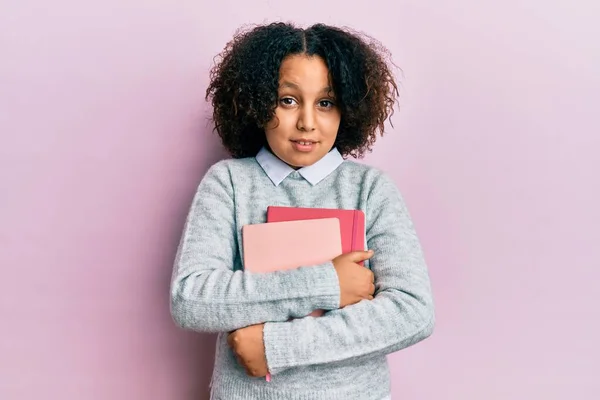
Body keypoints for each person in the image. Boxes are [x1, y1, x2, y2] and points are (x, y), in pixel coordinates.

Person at [170, 21, 435, 400]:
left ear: (348, 108)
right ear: (258, 101)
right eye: (288, 100)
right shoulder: (228, 182)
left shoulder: (369, 189)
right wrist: (328, 284)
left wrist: (276, 347)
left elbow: (412, 311)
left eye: (325, 103)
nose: (307, 122)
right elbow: (191, 298)